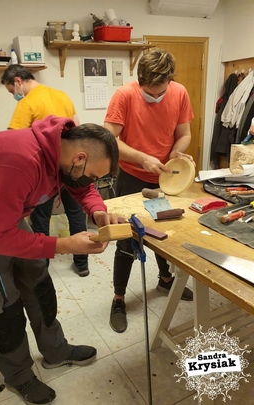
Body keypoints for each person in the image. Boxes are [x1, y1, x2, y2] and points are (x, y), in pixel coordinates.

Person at [0, 115, 119, 404]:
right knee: (4, 303)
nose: (92, 181)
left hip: (7, 217)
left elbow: (82, 188)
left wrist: (96, 210)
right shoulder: (20, 160)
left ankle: (56, 351)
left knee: (38, 282)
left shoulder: (64, 155)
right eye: (93, 175)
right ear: (80, 157)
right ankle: (19, 377)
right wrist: (64, 244)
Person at [103, 48, 195, 334]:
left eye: (160, 88)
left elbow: (184, 134)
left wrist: (177, 154)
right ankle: (119, 298)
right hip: (132, 178)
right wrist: (142, 157)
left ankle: (165, 279)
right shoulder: (125, 95)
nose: (154, 94)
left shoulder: (179, 93)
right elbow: (108, 139)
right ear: (139, 79)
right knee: (127, 239)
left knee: (164, 232)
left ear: (170, 79)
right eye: (148, 88)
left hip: (165, 179)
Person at [1, 64, 90, 277]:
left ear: (18, 81)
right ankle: (82, 263)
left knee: (41, 218)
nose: (14, 95)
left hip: (44, 176)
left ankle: (42, 266)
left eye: (12, 91)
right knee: (76, 214)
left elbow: (15, 146)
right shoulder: (62, 96)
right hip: (71, 168)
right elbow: (78, 128)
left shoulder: (27, 103)